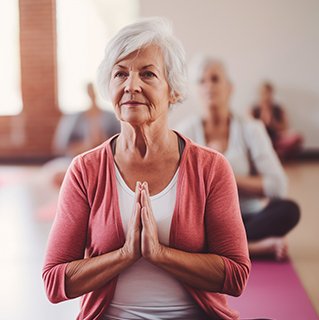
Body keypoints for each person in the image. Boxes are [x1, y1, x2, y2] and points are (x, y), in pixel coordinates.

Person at [43, 18, 250, 320]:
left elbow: (235, 276)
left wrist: (160, 254)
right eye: (120, 74)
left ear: (173, 92)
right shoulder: (84, 170)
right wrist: (125, 255)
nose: (131, 85)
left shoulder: (211, 168)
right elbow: (54, 282)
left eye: (148, 74)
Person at [175, 56, 300, 261]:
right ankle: (253, 248)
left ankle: (221, 249)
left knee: (289, 210)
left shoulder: (252, 128)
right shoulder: (183, 132)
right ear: (195, 90)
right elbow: (179, 190)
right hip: (204, 221)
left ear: (229, 87)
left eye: (215, 79)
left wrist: (222, 172)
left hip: (247, 219)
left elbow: (278, 187)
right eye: (201, 81)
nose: (208, 86)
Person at [45, 82, 120, 188]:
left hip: (106, 160)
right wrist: (85, 147)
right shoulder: (74, 118)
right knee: (55, 175)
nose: (92, 94)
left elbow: (122, 144)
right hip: (77, 160)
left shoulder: (112, 117)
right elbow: (61, 146)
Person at [250, 81, 303, 161]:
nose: (265, 96)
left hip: (276, 139)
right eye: (263, 93)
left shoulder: (278, 109)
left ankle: (273, 154)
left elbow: (285, 127)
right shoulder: (253, 110)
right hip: (261, 140)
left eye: (267, 93)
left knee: (297, 137)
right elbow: (249, 129)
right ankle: (274, 155)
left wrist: (273, 123)